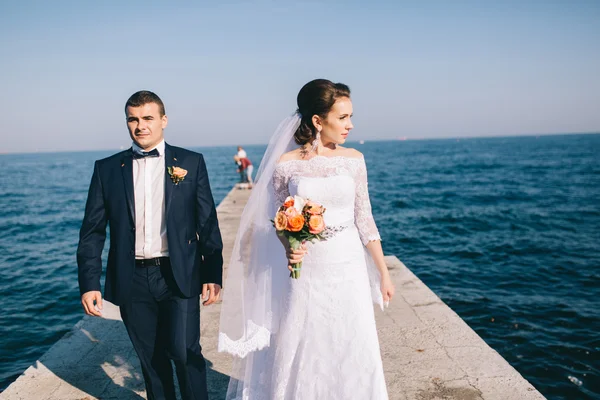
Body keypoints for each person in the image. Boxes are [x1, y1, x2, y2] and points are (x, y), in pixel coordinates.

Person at [218, 79, 395, 399]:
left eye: (350, 117)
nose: (350, 125)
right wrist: (290, 248)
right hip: (306, 269)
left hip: (348, 265)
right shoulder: (285, 165)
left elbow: (364, 219)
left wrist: (383, 272)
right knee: (304, 336)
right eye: (342, 118)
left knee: (351, 338)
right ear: (317, 120)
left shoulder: (354, 159)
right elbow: (278, 220)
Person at [77, 90, 223, 400]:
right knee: (151, 361)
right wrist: (89, 283)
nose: (140, 125)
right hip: (132, 279)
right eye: (133, 119)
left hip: (178, 273)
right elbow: (92, 232)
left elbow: (207, 221)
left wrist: (213, 272)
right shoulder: (106, 169)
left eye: (148, 118)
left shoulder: (189, 162)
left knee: (185, 353)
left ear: (163, 120)